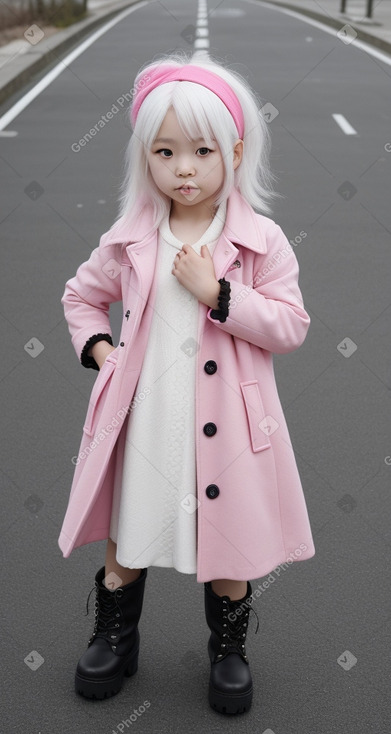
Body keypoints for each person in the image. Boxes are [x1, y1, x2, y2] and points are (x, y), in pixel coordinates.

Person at [59, 50, 315, 714]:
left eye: (201, 151)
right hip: (145, 416)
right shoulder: (128, 240)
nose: (183, 168)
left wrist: (218, 292)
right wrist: (100, 348)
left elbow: (289, 326)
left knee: (227, 541)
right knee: (128, 529)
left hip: (226, 426)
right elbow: (80, 297)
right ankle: (115, 636)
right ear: (144, 157)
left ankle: (228, 651)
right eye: (164, 152)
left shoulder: (262, 242)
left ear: (232, 151)